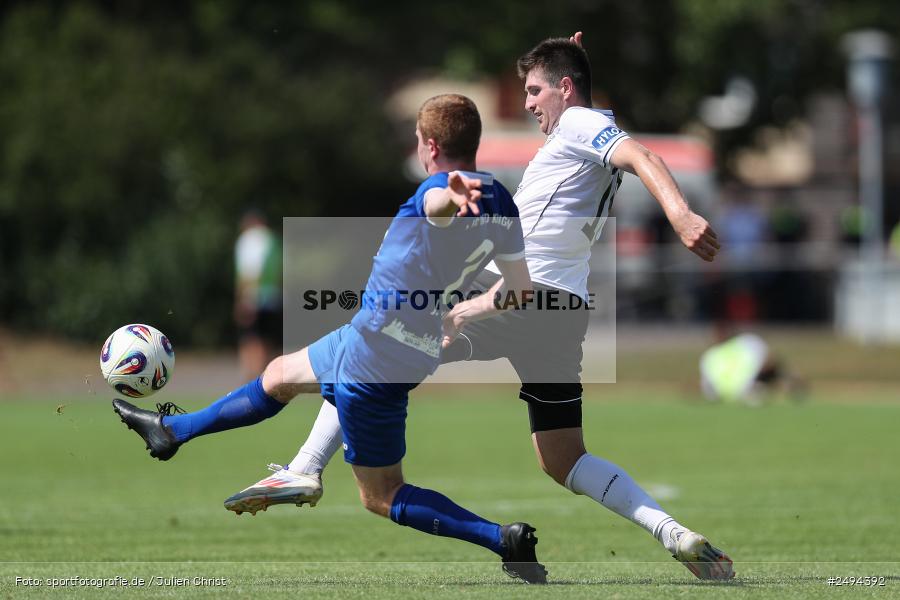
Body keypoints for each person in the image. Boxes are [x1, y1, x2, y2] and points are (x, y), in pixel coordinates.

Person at [225, 33, 733, 581]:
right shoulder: (587, 125)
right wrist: (567, 51)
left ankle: (304, 468)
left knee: (377, 346)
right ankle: (671, 531)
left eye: (536, 90)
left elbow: (642, 155)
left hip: (512, 297)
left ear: (567, 88)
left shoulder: (579, 124)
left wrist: (680, 215)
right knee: (563, 458)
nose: (530, 102)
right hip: (562, 313)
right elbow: (608, 130)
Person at [113, 94, 548, 584]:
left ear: (430, 145)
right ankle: (174, 433)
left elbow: (437, 205)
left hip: (378, 351)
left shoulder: (437, 188)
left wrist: (448, 190)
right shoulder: (501, 201)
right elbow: (519, 289)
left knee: (381, 495)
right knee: (278, 375)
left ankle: (501, 539)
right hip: (389, 337)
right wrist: (466, 311)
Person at [234, 210, 283, 382]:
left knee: (251, 339)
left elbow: (249, 272)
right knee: (269, 340)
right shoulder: (273, 240)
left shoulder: (249, 239)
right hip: (273, 298)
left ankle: (253, 382)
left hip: (254, 297)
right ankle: (269, 379)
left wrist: (243, 300)